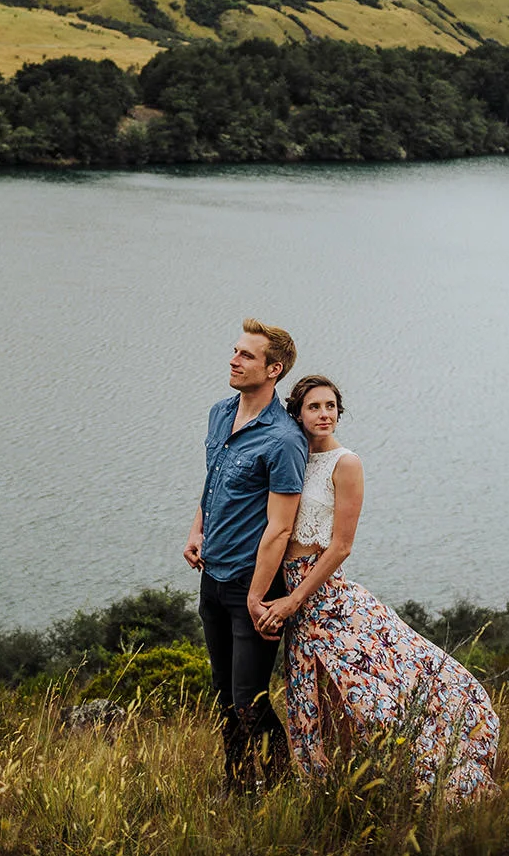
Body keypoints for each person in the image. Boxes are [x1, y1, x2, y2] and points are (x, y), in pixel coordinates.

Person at [258, 375, 500, 800]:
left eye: (331, 406)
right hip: (292, 600)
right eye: (314, 407)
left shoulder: (345, 463)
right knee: (315, 697)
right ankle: (335, 789)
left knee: (366, 697)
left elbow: (341, 546)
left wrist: (295, 598)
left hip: (323, 596)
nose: (325, 414)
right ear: (297, 412)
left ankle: (409, 778)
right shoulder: (291, 455)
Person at [183, 319, 307, 791]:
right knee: (223, 696)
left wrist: (256, 597)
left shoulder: (284, 439)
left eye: (246, 356)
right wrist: (196, 531)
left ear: (273, 370)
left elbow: (280, 527)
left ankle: (282, 787)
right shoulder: (219, 413)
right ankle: (236, 786)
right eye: (235, 351)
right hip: (211, 579)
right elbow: (213, 482)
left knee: (248, 700)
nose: (233, 360)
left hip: (252, 588)